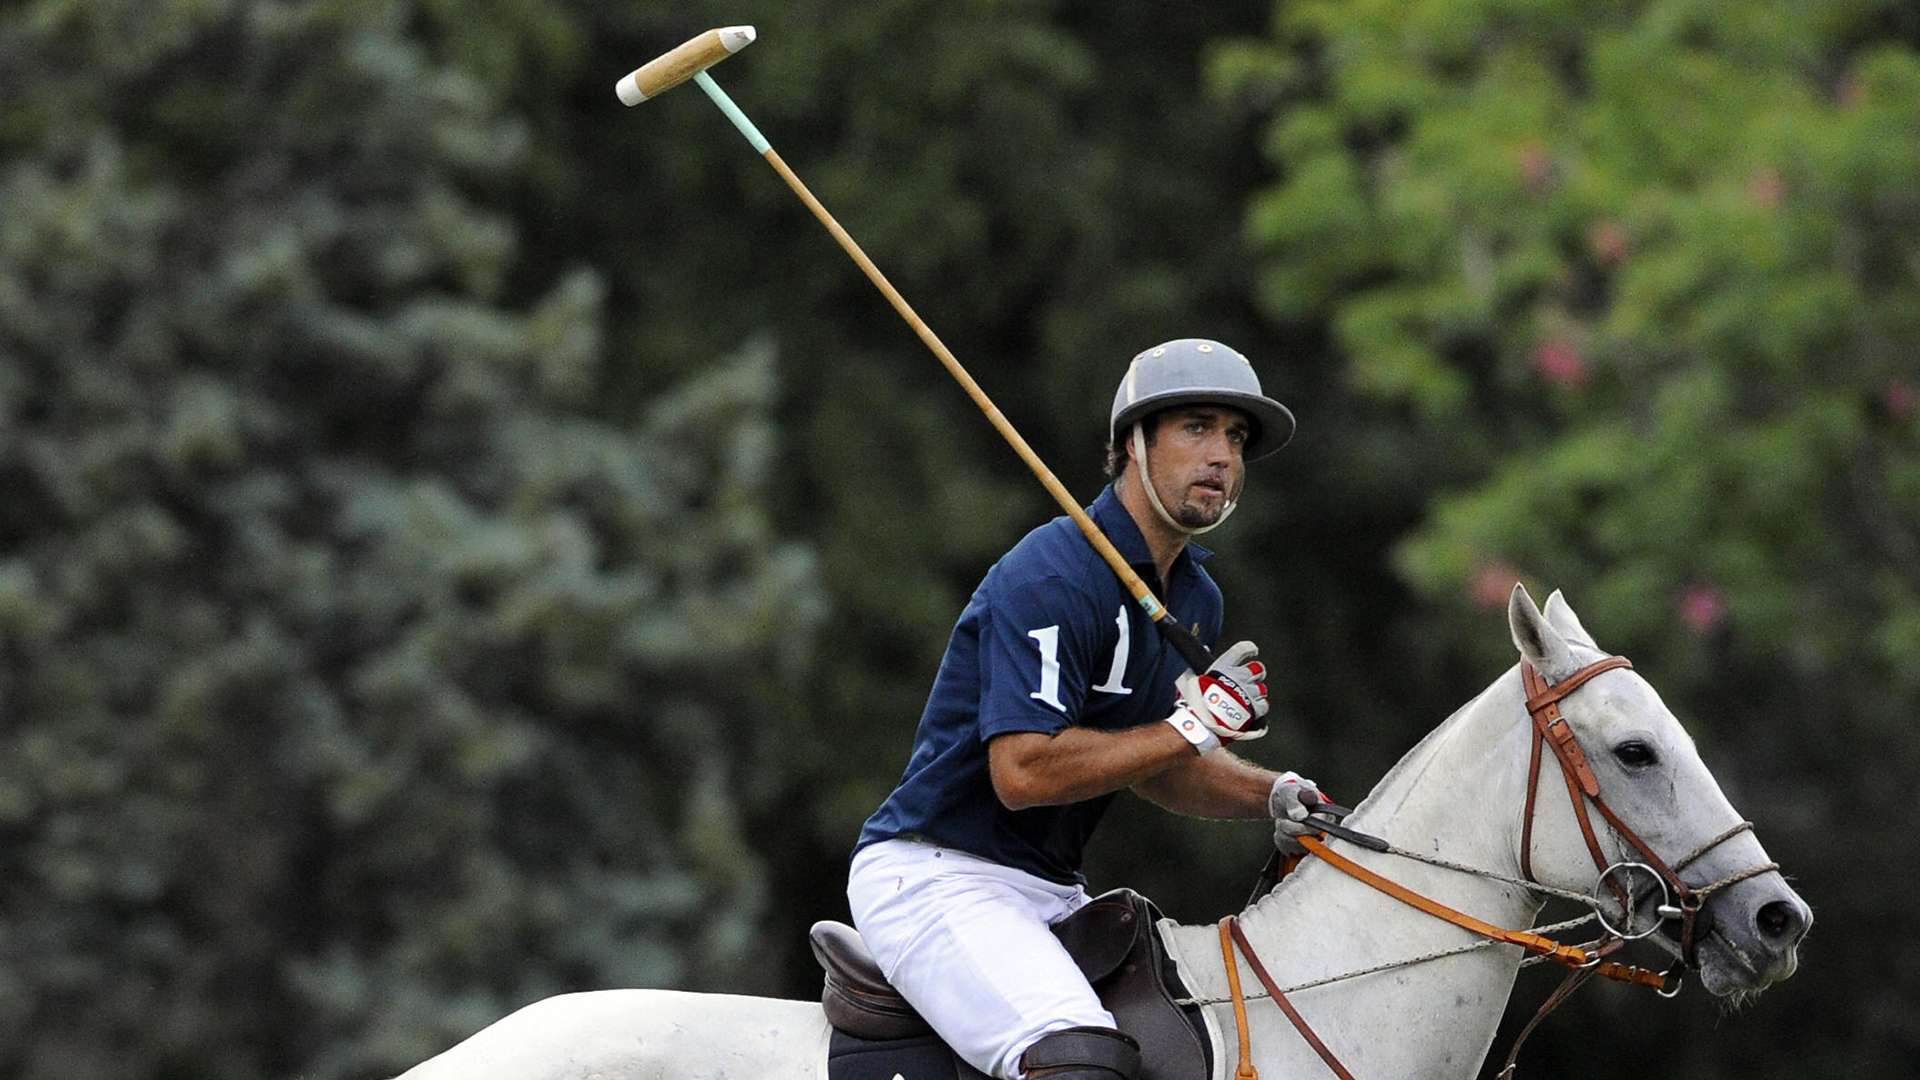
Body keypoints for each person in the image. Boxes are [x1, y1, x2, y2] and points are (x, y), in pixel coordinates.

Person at [847, 339, 1326, 1080]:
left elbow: (1160, 767)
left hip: (1049, 890)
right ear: (1133, 443)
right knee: (1079, 1062)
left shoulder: (1194, 596)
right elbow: (1023, 771)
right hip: (937, 873)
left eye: (1235, 437)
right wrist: (1191, 725)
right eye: (1197, 427)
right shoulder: (1053, 576)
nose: (1223, 456)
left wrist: (1274, 795)